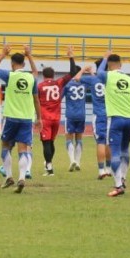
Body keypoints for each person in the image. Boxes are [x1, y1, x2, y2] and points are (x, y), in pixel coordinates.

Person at [0, 44, 42, 193]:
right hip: (26, 118)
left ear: (12, 64)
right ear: (24, 64)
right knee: (23, 148)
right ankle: (22, 178)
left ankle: (9, 177)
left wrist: (2, 54)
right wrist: (39, 118)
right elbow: (36, 99)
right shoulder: (31, 78)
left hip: (11, 117)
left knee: (5, 146)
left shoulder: (10, 75)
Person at [96, 53, 130, 197]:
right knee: (125, 149)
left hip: (115, 119)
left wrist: (104, 59)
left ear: (109, 65)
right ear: (121, 64)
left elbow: (98, 73)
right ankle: (123, 177)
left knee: (115, 151)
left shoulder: (108, 76)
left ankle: (118, 186)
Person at [36, 47, 76, 176]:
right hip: (56, 117)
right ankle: (49, 164)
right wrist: (71, 57)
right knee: (51, 142)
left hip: (45, 118)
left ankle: (49, 168)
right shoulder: (58, 83)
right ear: (53, 75)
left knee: (46, 143)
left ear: (43, 75)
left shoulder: (39, 86)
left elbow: (35, 100)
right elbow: (73, 72)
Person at [75, 61, 112, 179]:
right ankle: (109, 169)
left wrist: (83, 69)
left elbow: (77, 78)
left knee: (100, 142)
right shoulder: (111, 79)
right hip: (111, 114)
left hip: (98, 114)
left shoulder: (93, 80)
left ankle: (101, 170)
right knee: (109, 141)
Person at [63, 71, 87, 173]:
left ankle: (72, 160)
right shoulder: (84, 83)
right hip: (81, 115)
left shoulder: (67, 84)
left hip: (70, 115)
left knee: (69, 138)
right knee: (79, 139)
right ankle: (78, 162)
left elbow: (59, 97)